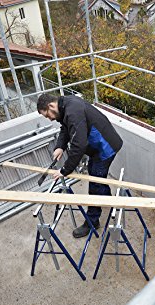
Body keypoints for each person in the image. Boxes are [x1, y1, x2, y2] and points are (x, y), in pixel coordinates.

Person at [37, 93, 123, 238]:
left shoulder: (73, 111)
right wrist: (60, 146)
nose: (49, 119)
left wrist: (64, 170)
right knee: (96, 174)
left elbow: (79, 145)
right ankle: (109, 198)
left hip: (105, 148)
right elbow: (65, 128)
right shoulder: (65, 106)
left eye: (47, 115)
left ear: (51, 106)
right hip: (98, 147)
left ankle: (92, 221)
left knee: (95, 183)